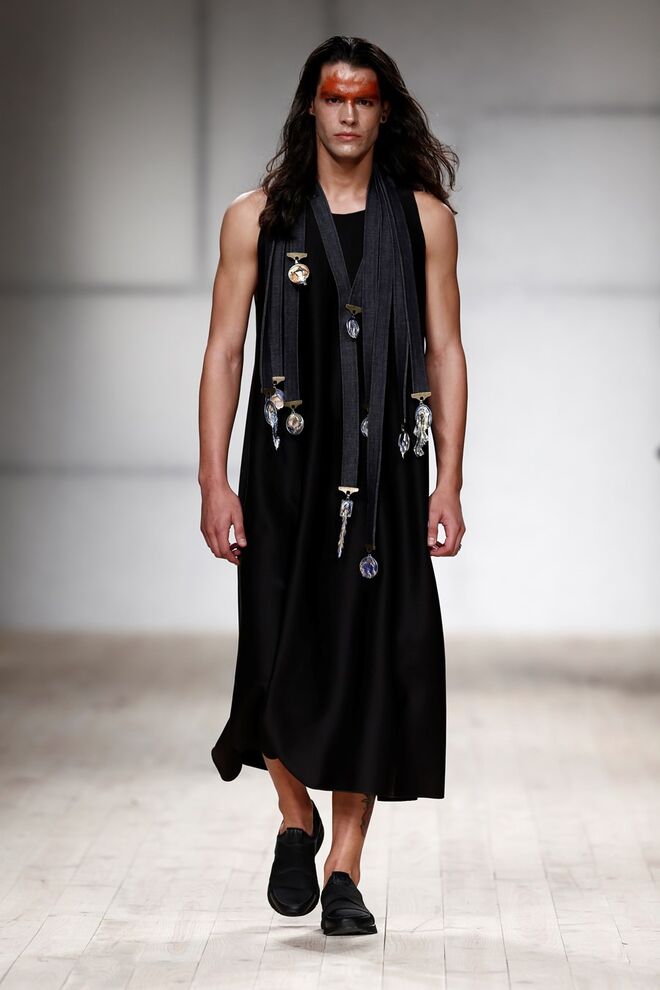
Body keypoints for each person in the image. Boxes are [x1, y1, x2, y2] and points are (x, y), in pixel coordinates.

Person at [197, 35, 467, 936]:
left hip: (386, 473)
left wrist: (449, 482)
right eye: (333, 97)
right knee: (270, 655)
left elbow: (445, 350)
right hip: (281, 472)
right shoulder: (256, 219)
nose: (347, 113)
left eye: (363, 99)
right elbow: (225, 351)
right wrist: (212, 478)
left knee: (369, 662)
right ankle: (295, 815)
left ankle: (344, 867)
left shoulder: (424, 220)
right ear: (309, 107)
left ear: (383, 111)